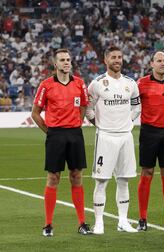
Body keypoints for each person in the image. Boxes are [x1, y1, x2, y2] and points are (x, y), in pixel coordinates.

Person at [31, 48, 91, 237]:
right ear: (55, 64)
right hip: (55, 135)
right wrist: (50, 132)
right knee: (53, 178)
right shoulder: (46, 85)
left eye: (68, 60)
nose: (66, 63)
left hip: (75, 134)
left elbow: (83, 105)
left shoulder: (80, 84)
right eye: (62, 60)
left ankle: (82, 223)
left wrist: (77, 123)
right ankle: (48, 224)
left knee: (76, 176)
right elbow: (35, 113)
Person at [85, 46, 141, 234]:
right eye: (113, 57)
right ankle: (99, 222)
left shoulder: (131, 83)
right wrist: (99, 124)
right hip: (106, 137)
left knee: (124, 180)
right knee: (101, 181)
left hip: (125, 136)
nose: (117, 60)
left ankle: (123, 221)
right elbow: (88, 108)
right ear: (106, 60)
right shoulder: (97, 83)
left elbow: (136, 106)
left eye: (119, 57)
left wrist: (127, 122)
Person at [136, 51, 164, 231]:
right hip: (148, 132)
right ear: (152, 64)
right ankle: (142, 218)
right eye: (159, 61)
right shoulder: (142, 84)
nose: (163, 63)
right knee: (147, 172)